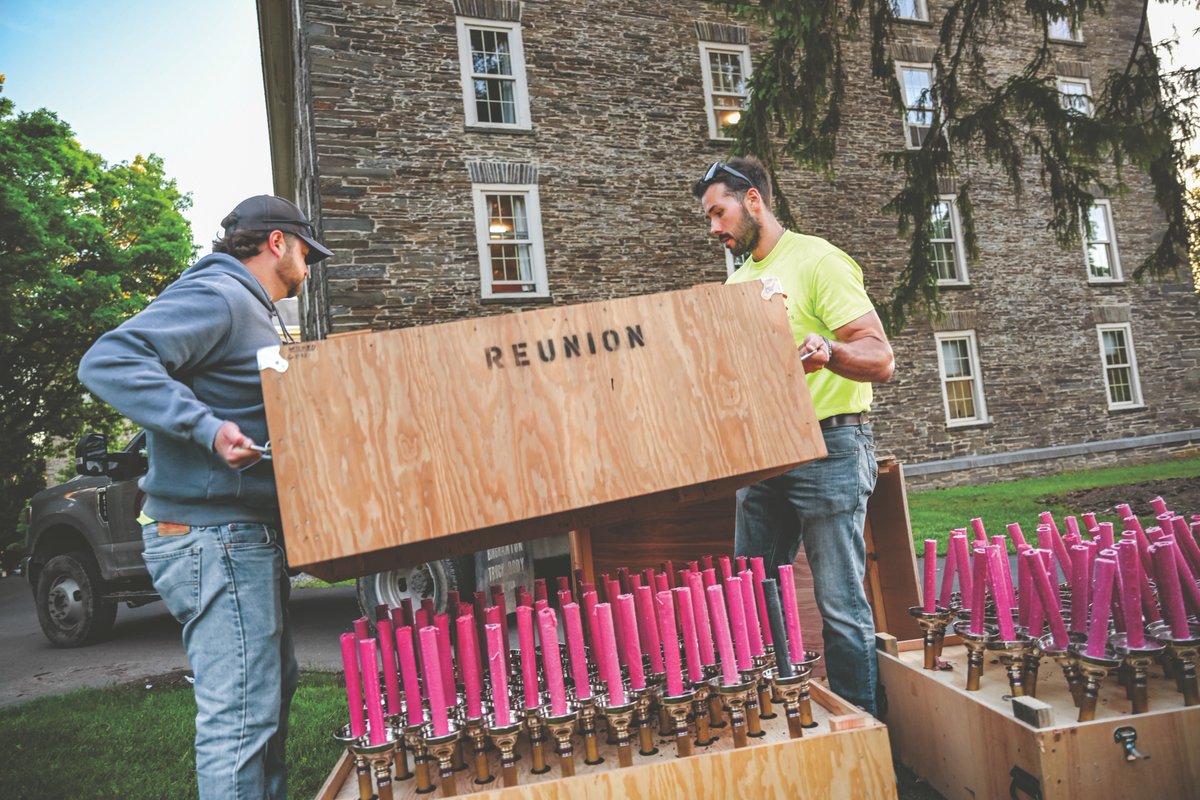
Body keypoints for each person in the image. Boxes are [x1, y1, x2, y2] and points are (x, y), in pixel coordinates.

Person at [78, 195, 332, 799]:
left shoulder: (254, 310)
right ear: (277, 242)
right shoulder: (219, 294)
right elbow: (109, 359)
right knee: (241, 721)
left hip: (239, 538)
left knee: (265, 703)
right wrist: (207, 428)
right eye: (305, 250)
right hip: (213, 539)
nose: (308, 264)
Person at [692, 157, 895, 715]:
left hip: (831, 449)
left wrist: (829, 351)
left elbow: (880, 358)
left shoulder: (818, 260)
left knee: (840, 604)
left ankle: (860, 728)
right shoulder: (737, 282)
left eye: (719, 212)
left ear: (753, 200)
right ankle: (781, 713)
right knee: (751, 592)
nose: (714, 228)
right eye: (709, 218)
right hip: (765, 454)